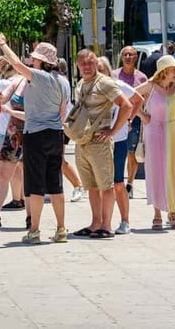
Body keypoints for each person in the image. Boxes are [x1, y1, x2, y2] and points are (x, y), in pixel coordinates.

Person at [0, 34, 68, 244]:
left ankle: (34, 230)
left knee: (34, 184)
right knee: (56, 185)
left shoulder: (39, 76)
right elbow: (62, 111)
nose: (31, 61)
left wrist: (2, 44)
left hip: (36, 134)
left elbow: (16, 64)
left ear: (42, 62)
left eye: (35, 58)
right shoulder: (63, 82)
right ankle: (61, 229)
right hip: (56, 133)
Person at [70, 51, 132, 239]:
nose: (87, 67)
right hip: (83, 141)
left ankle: (106, 225)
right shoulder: (80, 84)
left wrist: (113, 131)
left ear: (96, 63)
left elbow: (127, 105)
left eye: (90, 63)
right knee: (92, 186)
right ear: (77, 65)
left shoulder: (104, 82)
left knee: (106, 185)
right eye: (82, 63)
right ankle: (95, 223)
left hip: (100, 141)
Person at [135, 55, 175, 230]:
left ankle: (173, 211)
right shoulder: (150, 86)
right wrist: (142, 115)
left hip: (171, 130)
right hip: (153, 130)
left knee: (173, 170)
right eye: (174, 68)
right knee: (156, 171)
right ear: (165, 70)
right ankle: (157, 213)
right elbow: (130, 97)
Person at [96, 56, 141, 235]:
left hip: (118, 140)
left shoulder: (117, 86)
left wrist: (128, 120)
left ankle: (124, 220)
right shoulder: (91, 88)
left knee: (117, 183)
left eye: (100, 69)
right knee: (100, 184)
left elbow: (138, 100)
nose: (98, 73)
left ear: (107, 70)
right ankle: (101, 221)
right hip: (96, 142)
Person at [0, 70, 27, 229]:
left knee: (31, 176)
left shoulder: (43, 81)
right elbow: (1, 97)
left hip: (36, 133)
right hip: (13, 135)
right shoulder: (17, 82)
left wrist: (10, 111)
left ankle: (32, 218)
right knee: (3, 176)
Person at [112, 46, 148, 199]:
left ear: (136, 58)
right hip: (115, 120)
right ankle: (116, 181)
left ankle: (130, 184)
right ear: (121, 57)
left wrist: (133, 117)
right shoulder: (113, 76)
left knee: (131, 153)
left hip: (134, 121)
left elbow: (143, 100)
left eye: (131, 54)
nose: (127, 57)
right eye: (125, 54)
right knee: (115, 153)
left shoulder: (142, 78)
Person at [57, 58, 85, 203]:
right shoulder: (62, 81)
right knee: (54, 159)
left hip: (61, 125)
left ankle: (78, 185)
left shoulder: (60, 81)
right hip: (60, 124)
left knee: (59, 159)